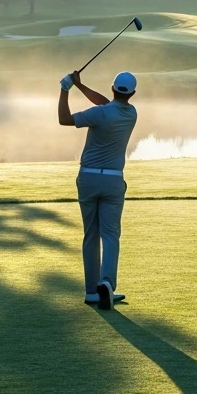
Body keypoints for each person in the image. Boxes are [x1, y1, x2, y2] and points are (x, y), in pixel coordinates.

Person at [58, 69, 138, 309]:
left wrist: (65, 89)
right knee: (110, 235)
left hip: (89, 179)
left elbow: (64, 119)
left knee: (91, 235)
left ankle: (92, 291)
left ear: (113, 88)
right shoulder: (131, 113)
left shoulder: (99, 113)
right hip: (113, 181)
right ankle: (106, 283)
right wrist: (81, 86)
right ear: (133, 93)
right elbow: (108, 103)